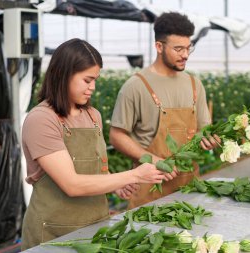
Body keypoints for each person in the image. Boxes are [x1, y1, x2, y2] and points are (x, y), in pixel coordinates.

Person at [20, 38, 166, 250]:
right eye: (87, 80)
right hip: (55, 233)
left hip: (95, 228)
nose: (93, 88)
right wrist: (134, 175)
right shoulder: (42, 119)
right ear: (63, 75)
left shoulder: (92, 115)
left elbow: (91, 167)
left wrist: (116, 184)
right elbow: (72, 184)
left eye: (95, 80)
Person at [109, 12, 220, 209]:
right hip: (148, 188)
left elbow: (205, 129)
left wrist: (210, 139)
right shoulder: (135, 86)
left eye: (188, 48)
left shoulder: (195, 85)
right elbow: (117, 136)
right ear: (159, 46)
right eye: (178, 49)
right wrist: (153, 160)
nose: (185, 55)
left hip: (189, 187)